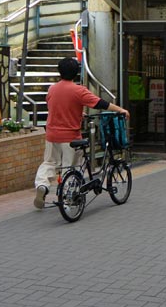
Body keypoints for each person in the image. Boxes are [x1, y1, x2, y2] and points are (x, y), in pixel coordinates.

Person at [34, 57, 129, 208]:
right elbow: (100, 103)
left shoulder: (52, 89)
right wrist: (120, 109)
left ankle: (42, 185)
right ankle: (69, 198)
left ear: (59, 72)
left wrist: (78, 113)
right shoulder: (78, 90)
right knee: (71, 167)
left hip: (52, 135)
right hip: (70, 137)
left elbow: (57, 107)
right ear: (76, 73)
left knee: (50, 162)